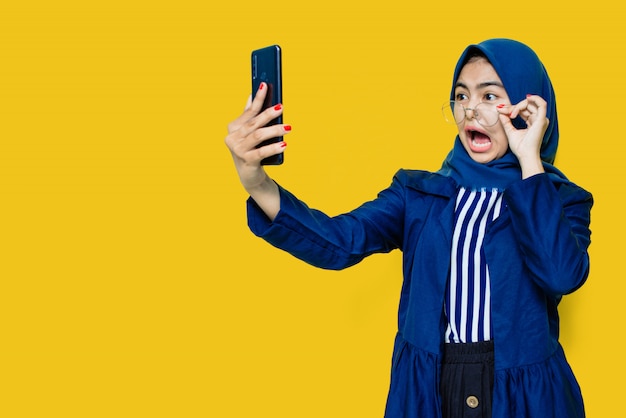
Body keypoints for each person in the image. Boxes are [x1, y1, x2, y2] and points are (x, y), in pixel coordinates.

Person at [224, 38, 592, 418]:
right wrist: (255, 181)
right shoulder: (418, 194)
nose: (470, 111)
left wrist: (529, 158)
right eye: (461, 95)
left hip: (526, 397)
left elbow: (561, 275)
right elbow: (340, 241)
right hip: (428, 388)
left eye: (489, 96)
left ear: (526, 107)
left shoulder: (563, 201)